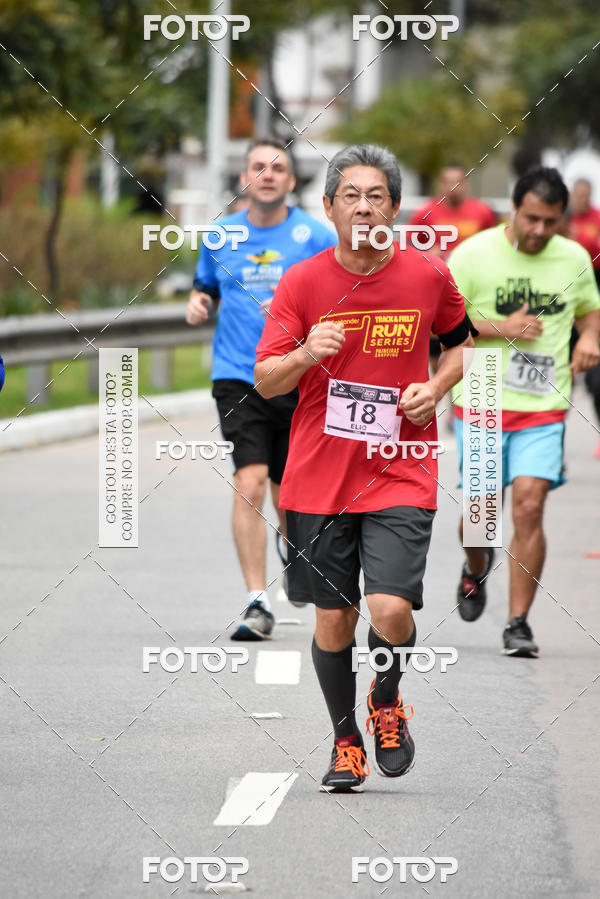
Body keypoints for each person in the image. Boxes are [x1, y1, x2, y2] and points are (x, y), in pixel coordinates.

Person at [255, 144, 474, 792]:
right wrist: (303, 353)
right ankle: (346, 738)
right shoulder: (303, 282)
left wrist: (436, 388)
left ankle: (388, 695)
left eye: (375, 195)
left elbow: (463, 347)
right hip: (320, 477)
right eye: (350, 195)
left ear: (395, 207)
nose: (363, 206)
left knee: (390, 608)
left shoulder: (428, 276)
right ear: (328, 207)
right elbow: (266, 380)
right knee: (334, 619)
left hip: (402, 467)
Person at [186, 137, 336, 640]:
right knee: (249, 480)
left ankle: (294, 549)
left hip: (298, 376)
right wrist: (199, 303)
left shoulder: (314, 236)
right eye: (258, 166)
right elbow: (204, 285)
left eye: (278, 168)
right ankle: (256, 601)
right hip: (238, 374)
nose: (267, 174)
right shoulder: (220, 235)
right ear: (244, 177)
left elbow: (337, 297)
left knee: (289, 491)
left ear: (292, 181)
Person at [450, 166, 600, 657]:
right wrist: (499, 326)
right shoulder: (473, 254)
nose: (539, 230)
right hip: (482, 396)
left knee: (530, 506)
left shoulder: (575, 256)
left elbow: (589, 309)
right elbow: (443, 321)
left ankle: (518, 623)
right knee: (481, 517)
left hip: (542, 403)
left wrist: (592, 338)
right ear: (513, 209)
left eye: (550, 221)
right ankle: (475, 567)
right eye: (531, 218)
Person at [409, 165, 496, 372]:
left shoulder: (482, 212)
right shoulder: (425, 213)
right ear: (441, 184)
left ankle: (466, 400)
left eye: (457, 181)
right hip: (437, 291)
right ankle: (434, 397)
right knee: (436, 361)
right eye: (447, 181)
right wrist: (426, 252)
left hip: (472, 292)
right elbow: (406, 249)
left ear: (466, 184)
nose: (452, 187)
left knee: (467, 352)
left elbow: (495, 245)